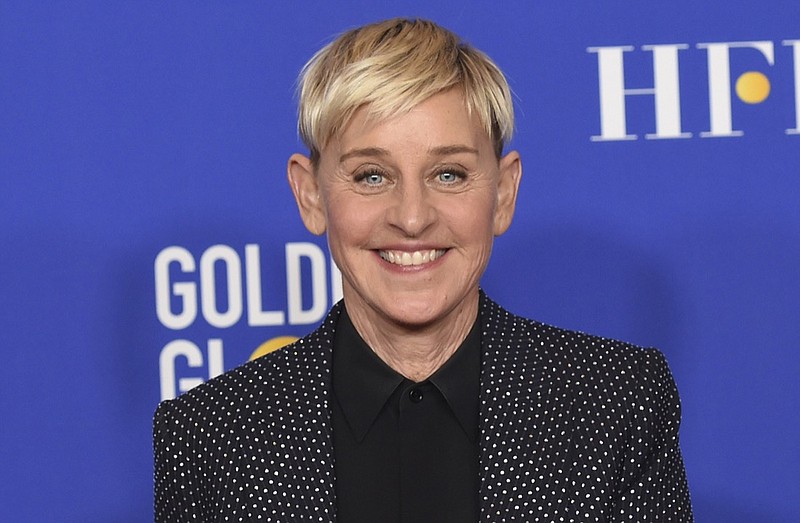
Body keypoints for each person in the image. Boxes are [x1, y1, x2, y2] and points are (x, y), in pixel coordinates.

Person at [154, 17, 693, 522]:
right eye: (370, 176)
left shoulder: (615, 402)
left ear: (503, 193)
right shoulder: (208, 434)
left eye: (449, 174)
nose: (412, 217)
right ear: (310, 194)